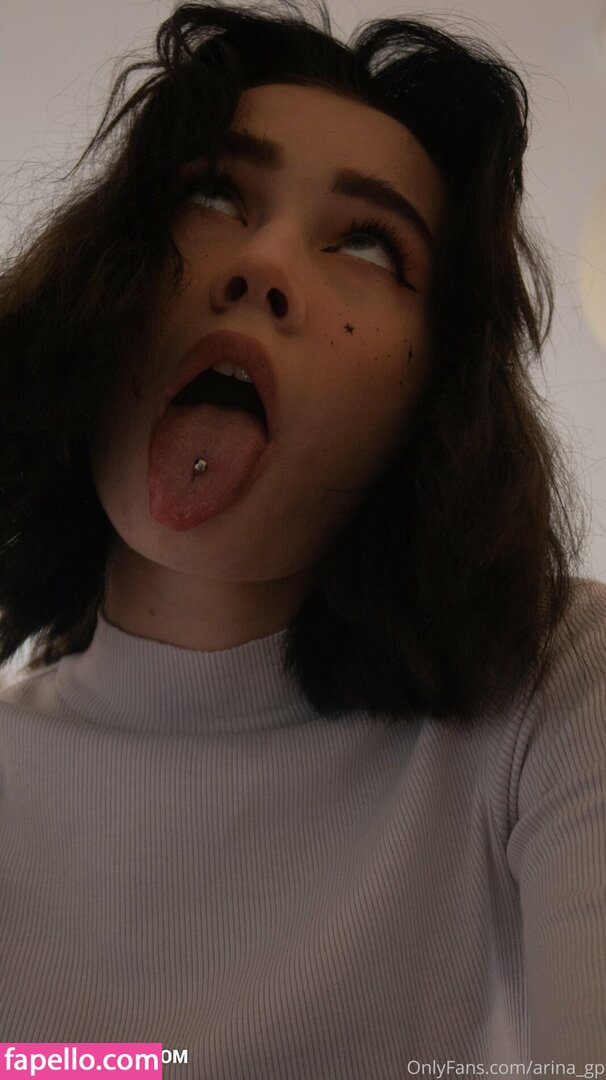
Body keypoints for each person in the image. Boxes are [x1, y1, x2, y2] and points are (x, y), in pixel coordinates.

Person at [0, 0, 604, 1073]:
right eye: (213, 195)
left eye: (369, 244)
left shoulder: (554, 686)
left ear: (431, 406)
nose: (264, 263)